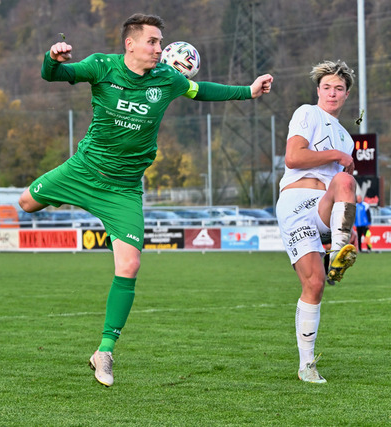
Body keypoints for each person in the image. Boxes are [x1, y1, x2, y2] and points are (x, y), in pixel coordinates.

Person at [18, 13, 273, 387]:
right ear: (131, 44)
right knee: (25, 203)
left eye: (160, 43)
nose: (160, 50)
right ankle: (63, 197)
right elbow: (56, 75)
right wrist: (51, 58)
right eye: (153, 42)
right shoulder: (101, 66)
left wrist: (247, 91)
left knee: (131, 263)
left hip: (123, 189)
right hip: (84, 171)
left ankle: (104, 351)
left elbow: (202, 90)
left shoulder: (168, 79)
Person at [276, 60, 357, 384]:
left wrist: (347, 227)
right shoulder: (307, 113)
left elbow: (343, 192)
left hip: (323, 206)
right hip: (296, 206)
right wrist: (336, 156)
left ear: (346, 94)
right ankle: (307, 365)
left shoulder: (347, 138)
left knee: (347, 183)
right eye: (327, 87)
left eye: (339, 88)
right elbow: (294, 158)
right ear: (318, 90)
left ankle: (338, 253)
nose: (332, 93)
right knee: (314, 284)